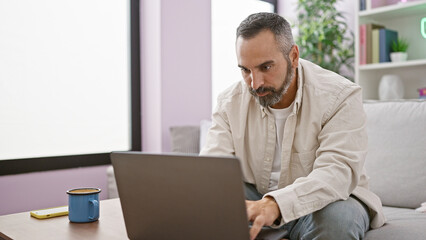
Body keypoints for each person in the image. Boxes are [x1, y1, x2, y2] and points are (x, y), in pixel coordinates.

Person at [200, 12, 385, 240]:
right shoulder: (230, 102)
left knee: (337, 224)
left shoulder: (340, 96)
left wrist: (276, 205)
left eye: (266, 67)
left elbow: (337, 173)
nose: (255, 83)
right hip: (258, 194)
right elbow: (211, 172)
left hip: (329, 200)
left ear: (294, 56)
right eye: (246, 70)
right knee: (209, 207)